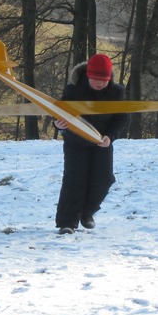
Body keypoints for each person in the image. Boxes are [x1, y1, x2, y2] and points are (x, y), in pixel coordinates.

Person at [53, 53, 129, 234]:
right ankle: (67, 223)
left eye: (104, 79)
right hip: (76, 143)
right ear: (88, 75)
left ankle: (87, 213)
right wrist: (57, 123)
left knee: (104, 180)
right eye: (96, 79)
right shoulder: (73, 90)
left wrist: (110, 137)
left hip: (102, 142)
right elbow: (58, 112)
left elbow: (122, 118)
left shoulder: (117, 92)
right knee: (74, 181)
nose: (100, 83)